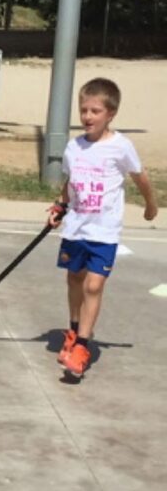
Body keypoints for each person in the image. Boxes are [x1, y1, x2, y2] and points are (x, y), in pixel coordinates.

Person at [48, 77, 158, 377]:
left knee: (93, 285)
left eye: (95, 111)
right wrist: (60, 206)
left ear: (110, 114)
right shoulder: (74, 147)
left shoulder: (121, 147)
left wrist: (150, 204)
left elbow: (140, 176)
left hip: (104, 232)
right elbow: (70, 183)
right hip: (76, 229)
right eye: (83, 110)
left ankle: (82, 346)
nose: (87, 117)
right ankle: (72, 331)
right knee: (74, 280)